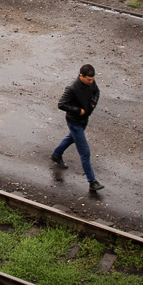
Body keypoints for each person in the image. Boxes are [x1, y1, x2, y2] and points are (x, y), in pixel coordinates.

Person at [51, 63, 103, 195]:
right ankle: (92, 182)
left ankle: (56, 155)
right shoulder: (72, 88)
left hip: (83, 120)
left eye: (92, 80)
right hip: (75, 122)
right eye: (88, 80)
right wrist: (78, 110)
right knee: (85, 152)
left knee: (71, 138)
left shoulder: (91, 82)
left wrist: (92, 105)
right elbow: (61, 104)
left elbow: (96, 92)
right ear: (81, 76)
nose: (91, 82)